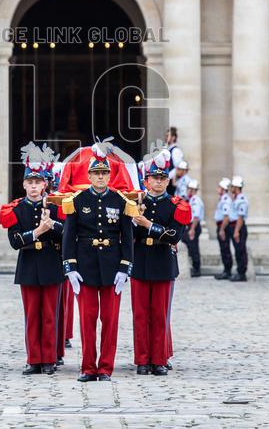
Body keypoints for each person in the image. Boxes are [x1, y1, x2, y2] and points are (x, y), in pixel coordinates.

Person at [61, 154, 135, 382]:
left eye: (104, 173)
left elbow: (127, 237)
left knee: (110, 321)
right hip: (85, 268)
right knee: (87, 320)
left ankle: (105, 368)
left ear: (109, 176)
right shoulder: (77, 200)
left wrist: (125, 268)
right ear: (89, 176)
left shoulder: (121, 201)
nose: (100, 177)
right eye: (96, 173)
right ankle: (88, 367)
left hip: (113, 268)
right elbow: (69, 236)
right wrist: (70, 266)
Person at [2, 155, 64, 375]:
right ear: (24, 184)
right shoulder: (16, 209)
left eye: (38, 182)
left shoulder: (56, 209)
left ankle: (49, 359)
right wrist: (38, 231)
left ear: (45, 184)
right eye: (31, 182)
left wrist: (53, 225)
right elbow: (15, 242)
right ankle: (33, 359)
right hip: (28, 264)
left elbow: (66, 235)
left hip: (50, 263)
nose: (34, 186)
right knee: (32, 316)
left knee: (49, 315)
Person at [131, 153, 189, 376]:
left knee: (160, 313)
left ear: (168, 181)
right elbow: (128, 234)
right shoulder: (137, 204)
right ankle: (142, 359)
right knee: (140, 314)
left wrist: (148, 224)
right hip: (141, 260)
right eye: (153, 178)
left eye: (162, 178)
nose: (157, 182)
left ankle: (159, 359)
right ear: (146, 181)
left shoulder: (176, 205)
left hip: (163, 261)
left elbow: (174, 235)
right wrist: (136, 220)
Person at [181, 179, 204, 277]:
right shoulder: (189, 199)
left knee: (193, 247)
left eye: (191, 189)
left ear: (195, 190)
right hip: (189, 226)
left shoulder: (195, 200)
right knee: (189, 245)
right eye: (189, 189)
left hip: (193, 226)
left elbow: (196, 216)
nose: (189, 191)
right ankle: (193, 266)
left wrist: (192, 229)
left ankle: (196, 268)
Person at [228, 176, 249, 282]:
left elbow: (240, 217)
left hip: (238, 227)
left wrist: (236, 231)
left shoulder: (242, 200)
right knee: (237, 250)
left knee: (240, 250)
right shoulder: (235, 198)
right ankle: (240, 272)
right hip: (233, 226)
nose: (231, 188)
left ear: (237, 187)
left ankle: (242, 273)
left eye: (233, 186)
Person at [213, 178, 234, 280]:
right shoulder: (222, 198)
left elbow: (226, 216)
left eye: (219, 187)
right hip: (221, 226)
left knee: (225, 249)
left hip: (223, 227)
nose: (218, 189)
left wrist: (221, 230)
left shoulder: (225, 199)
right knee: (223, 249)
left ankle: (227, 271)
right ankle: (226, 270)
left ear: (223, 189)